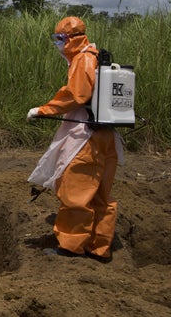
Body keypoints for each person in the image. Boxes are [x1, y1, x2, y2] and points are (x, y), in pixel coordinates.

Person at [27, 16, 123, 262]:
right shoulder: (99, 57)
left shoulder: (83, 59)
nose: (58, 44)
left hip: (86, 136)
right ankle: (99, 247)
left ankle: (71, 246)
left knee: (75, 191)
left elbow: (76, 94)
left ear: (71, 38)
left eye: (60, 39)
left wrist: (44, 110)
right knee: (101, 194)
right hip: (106, 136)